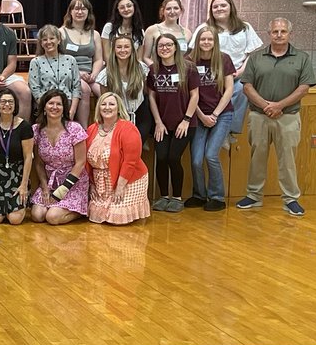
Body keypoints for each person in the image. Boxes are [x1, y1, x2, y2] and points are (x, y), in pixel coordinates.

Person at [236, 17, 316, 216]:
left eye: (283, 32)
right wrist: (266, 106)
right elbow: (247, 86)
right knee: (257, 157)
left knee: (287, 159)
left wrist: (279, 105)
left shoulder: (302, 58)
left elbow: (304, 88)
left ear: (290, 34)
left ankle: (291, 199)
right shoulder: (256, 58)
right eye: (275, 32)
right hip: (259, 116)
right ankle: (253, 196)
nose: (279, 35)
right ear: (269, 33)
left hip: (288, 116)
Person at [193, 0, 263, 143]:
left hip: (238, 72)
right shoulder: (204, 28)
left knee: (242, 90)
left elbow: (252, 53)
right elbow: (194, 52)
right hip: (212, 76)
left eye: (223, 5)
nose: (219, 9)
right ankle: (212, 126)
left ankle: (229, 131)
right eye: (215, 6)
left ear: (231, 7)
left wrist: (242, 70)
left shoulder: (245, 27)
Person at [147, 32, 200, 212]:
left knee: (173, 158)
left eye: (169, 45)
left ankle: (176, 197)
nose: (165, 48)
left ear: (176, 47)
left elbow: (195, 96)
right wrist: (158, 122)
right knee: (161, 158)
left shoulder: (189, 68)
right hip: (162, 124)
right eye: (161, 45)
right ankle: (163, 196)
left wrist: (186, 120)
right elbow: (152, 97)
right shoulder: (154, 69)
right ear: (157, 49)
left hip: (184, 124)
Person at [187, 27, 235, 212]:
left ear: (215, 42)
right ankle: (199, 194)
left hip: (221, 114)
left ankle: (217, 197)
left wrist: (214, 115)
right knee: (196, 160)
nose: (206, 43)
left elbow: (229, 89)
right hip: (199, 115)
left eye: (210, 39)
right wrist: (201, 115)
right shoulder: (189, 61)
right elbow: (189, 93)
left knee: (211, 155)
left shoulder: (224, 59)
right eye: (203, 39)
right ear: (197, 41)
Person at [85, 92, 150, 225]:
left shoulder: (128, 129)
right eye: (103, 104)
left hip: (128, 180)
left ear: (119, 108)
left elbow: (130, 162)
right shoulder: (91, 129)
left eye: (111, 104)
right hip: (101, 183)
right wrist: (91, 184)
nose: (107, 107)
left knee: (116, 219)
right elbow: (87, 163)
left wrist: (120, 187)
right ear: (98, 108)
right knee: (97, 219)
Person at [29, 89, 89, 225]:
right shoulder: (36, 130)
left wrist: (62, 191)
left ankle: (80, 210)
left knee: (52, 217)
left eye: (59, 104)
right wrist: (44, 187)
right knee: (37, 216)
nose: (54, 107)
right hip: (50, 181)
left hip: (72, 183)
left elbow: (80, 163)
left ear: (64, 109)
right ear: (44, 107)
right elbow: (38, 163)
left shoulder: (74, 128)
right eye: (51, 103)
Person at [0, 89, 33, 226]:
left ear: (15, 105)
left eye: (10, 101)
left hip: (16, 175)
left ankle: (14, 205)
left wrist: (23, 185)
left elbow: (28, 157)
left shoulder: (25, 127)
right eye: (3, 101)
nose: (7, 104)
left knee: (15, 220)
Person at [95, 33, 152, 139]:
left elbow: (146, 91)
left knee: (136, 147)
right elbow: (105, 98)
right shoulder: (105, 74)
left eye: (126, 47)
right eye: (119, 47)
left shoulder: (142, 69)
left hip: (141, 114)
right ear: (114, 50)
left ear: (132, 49)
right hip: (117, 117)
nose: (123, 50)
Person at [59, 0, 103, 128]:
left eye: (83, 9)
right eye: (76, 9)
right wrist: (78, 73)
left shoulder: (94, 34)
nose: (79, 12)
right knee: (84, 89)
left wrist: (94, 74)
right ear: (70, 12)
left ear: (88, 12)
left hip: (90, 74)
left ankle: (105, 128)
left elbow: (99, 59)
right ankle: (83, 129)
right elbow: (58, 58)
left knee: (105, 92)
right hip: (69, 72)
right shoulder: (61, 32)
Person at [28, 25, 81, 121]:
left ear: (59, 40)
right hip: (45, 108)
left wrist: (72, 111)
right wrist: (49, 109)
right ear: (41, 43)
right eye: (44, 39)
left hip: (67, 106)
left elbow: (76, 88)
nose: (48, 42)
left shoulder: (70, 60)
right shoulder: (35, 62)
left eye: (52, 38)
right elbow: (35, 90)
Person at [142, 0, 193, 65]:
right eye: (168, 9)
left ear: (181, 10)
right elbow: (145, 57)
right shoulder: (152, 30)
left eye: (176, 8)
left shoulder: (187, 33)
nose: (172, 11)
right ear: (163, 11)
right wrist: (157, 70)